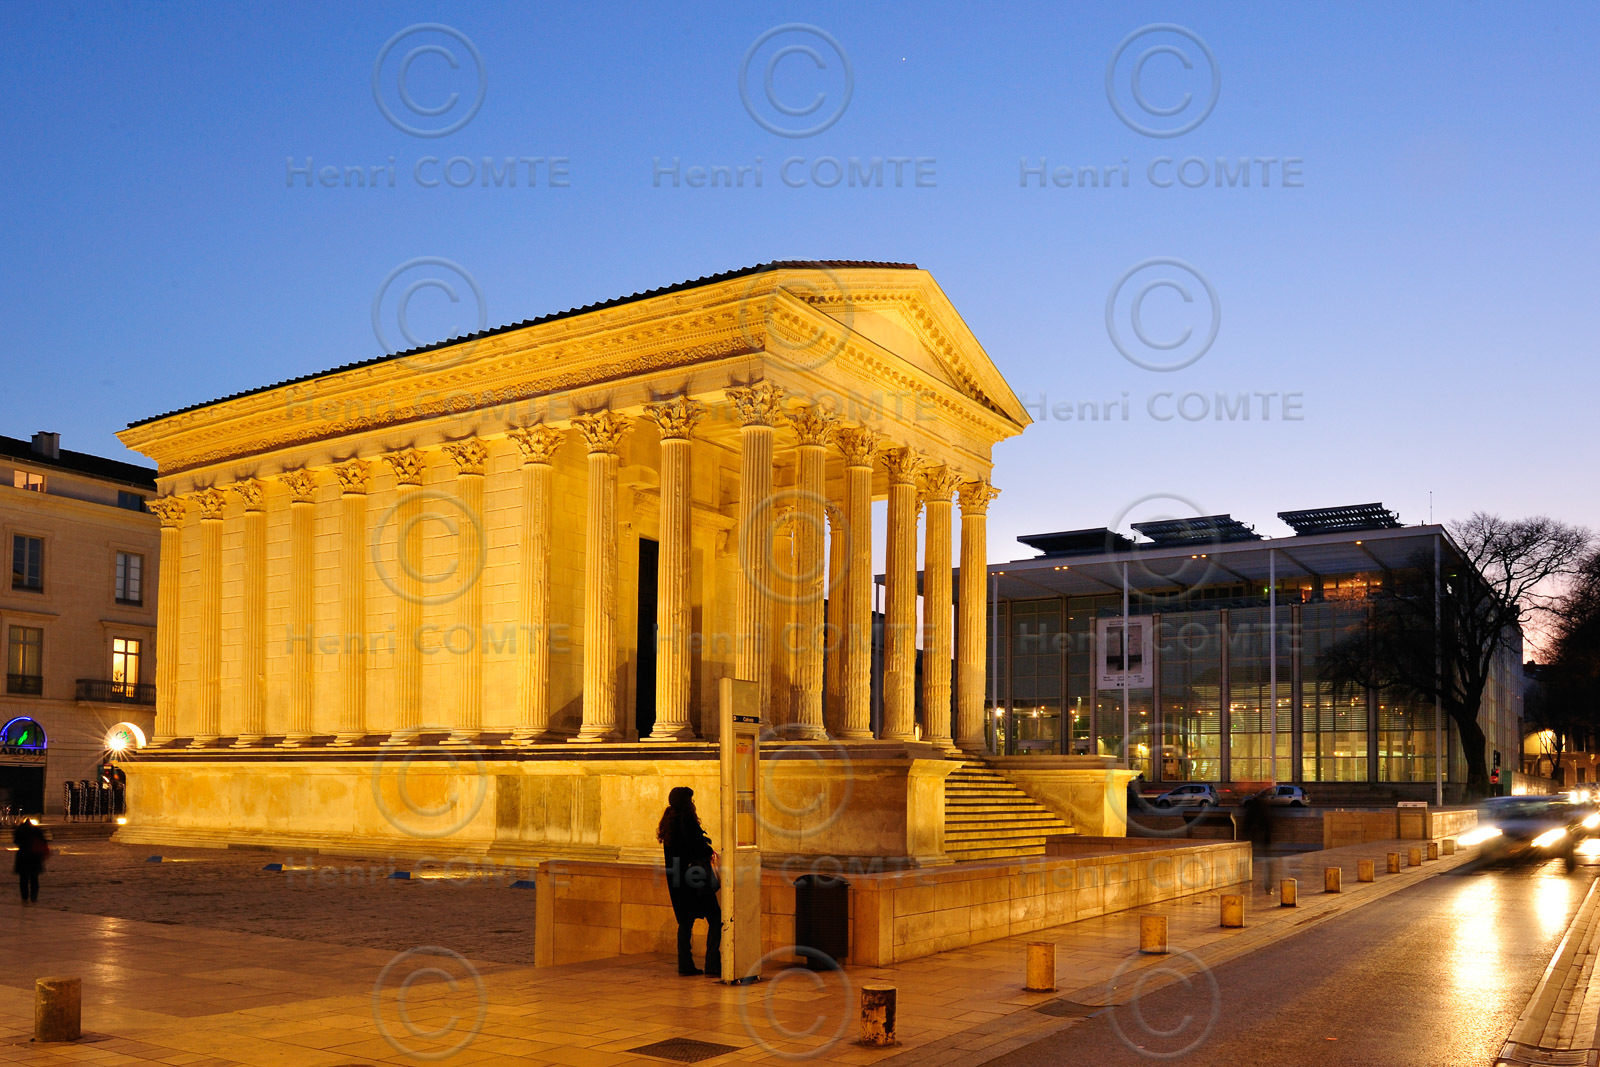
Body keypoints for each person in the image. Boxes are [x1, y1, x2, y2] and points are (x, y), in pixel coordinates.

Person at [657, 786, 721, 977]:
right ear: (685, 802)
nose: (692, 803)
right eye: (690, 800)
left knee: (685, 922)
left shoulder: (668, 822)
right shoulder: (686, 820)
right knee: (715, 918)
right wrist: (708, 850)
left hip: (678, 881)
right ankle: (712, 964)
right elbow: (696, 847)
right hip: (695, 879)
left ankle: (685, 965)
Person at [13, 819, 48, 905]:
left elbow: (16, 841)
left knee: (23, 879)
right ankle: (33, 897)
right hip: (34, 857)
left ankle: (24, 898)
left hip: (23, 856)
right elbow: (43, 841)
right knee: (34, 879)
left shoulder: (20, 830)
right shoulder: (36, 830)